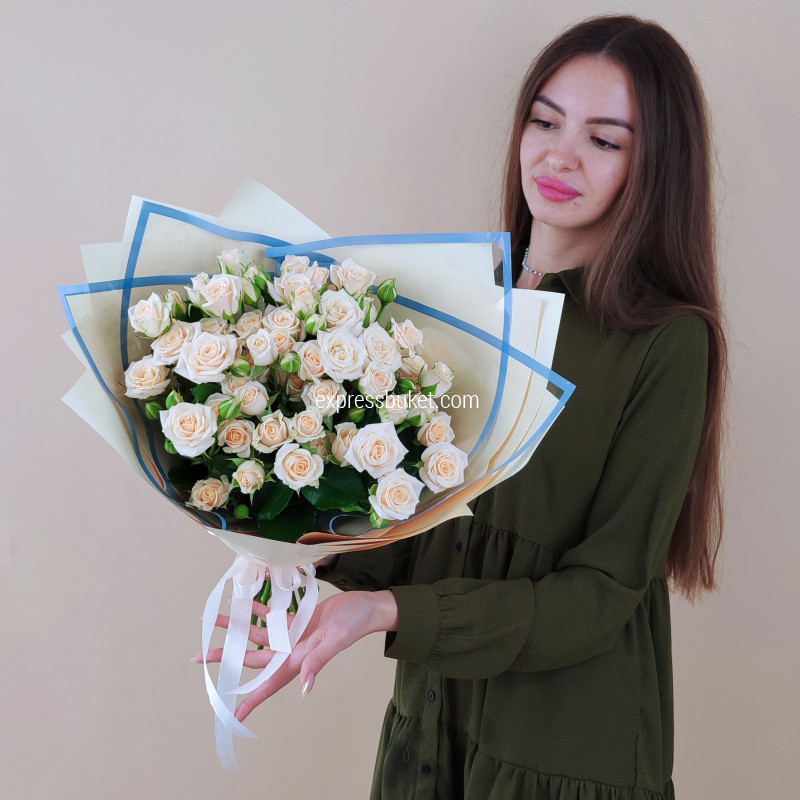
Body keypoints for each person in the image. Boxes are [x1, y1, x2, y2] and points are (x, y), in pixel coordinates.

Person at [204, 14, 727, 799]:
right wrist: (303, 554)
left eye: (603, 140)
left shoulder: (667, 341)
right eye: (544, 122)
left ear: (656, 166)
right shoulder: (455, 301)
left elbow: (603, 592)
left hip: (560, 750)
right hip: (430, 726)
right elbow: (427, 528)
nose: (559, 156)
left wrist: (388, 613)